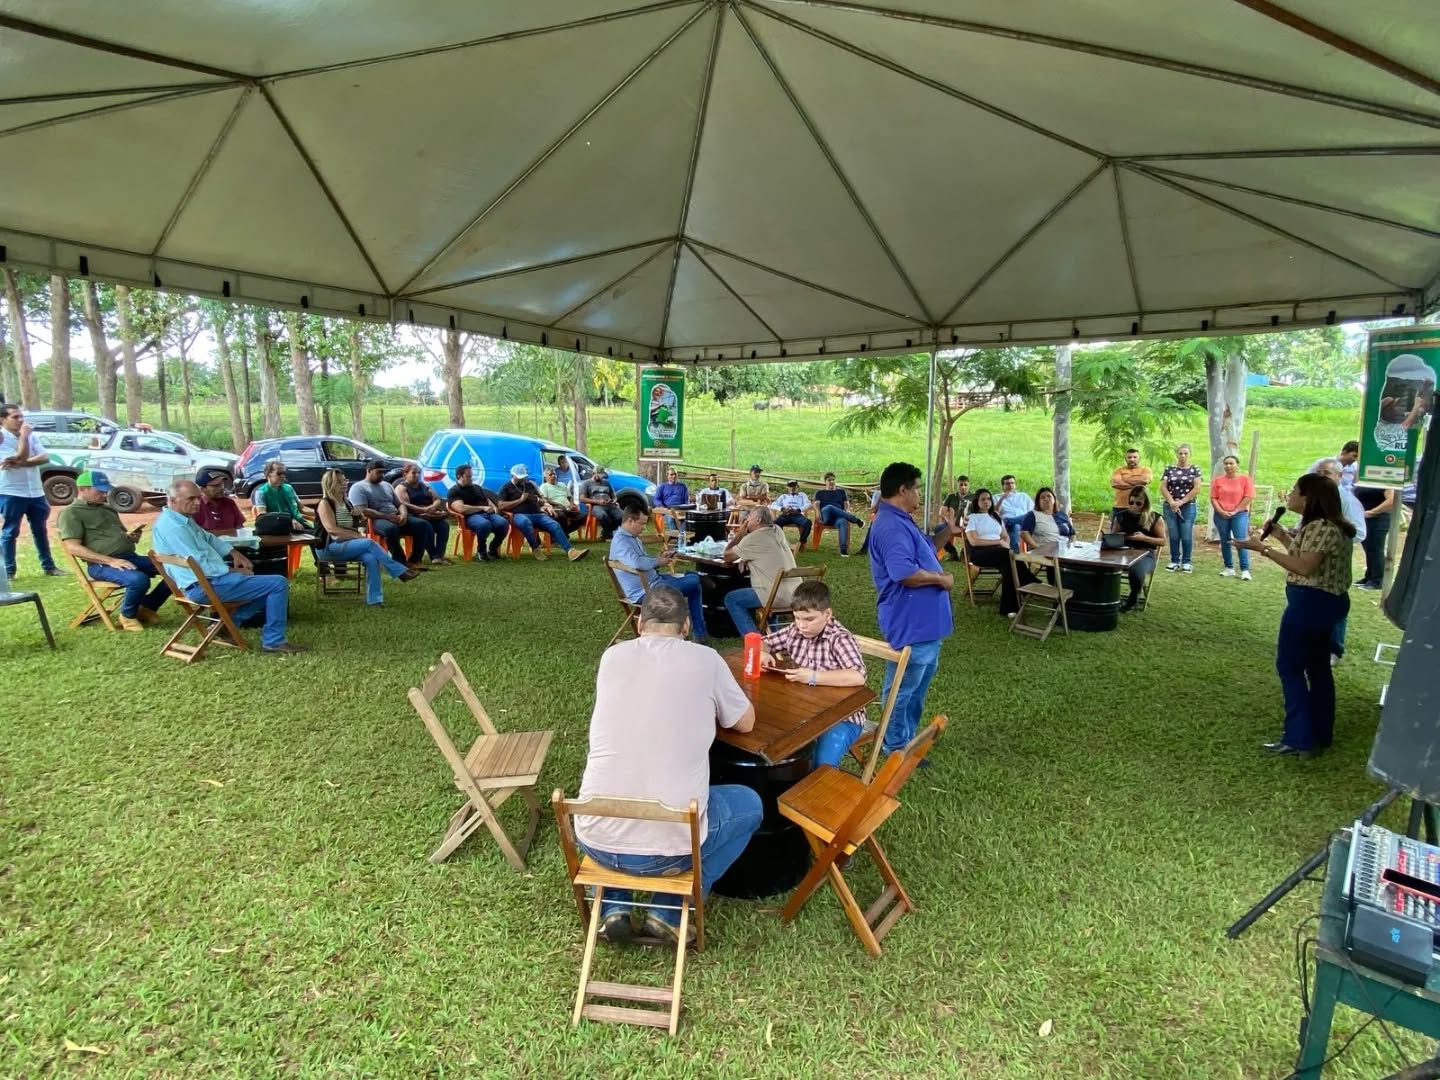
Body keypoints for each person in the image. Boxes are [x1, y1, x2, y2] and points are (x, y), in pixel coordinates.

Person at [574, 585, 759, 944]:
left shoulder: (611, 657)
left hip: (593, 837)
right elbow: (746, 722)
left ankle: (614, 906)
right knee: (750, 805)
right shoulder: (707, 660)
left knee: (623, 788)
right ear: (686, 625)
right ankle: (669, 911)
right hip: (669, 848)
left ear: (640, 623)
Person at [1236, 473, 1354, 758]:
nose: (1289, 495)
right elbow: (1304, 554)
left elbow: (1304, 567)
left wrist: (1262, 549)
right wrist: (1279, 536)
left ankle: (1299, 738)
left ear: (1308, 497)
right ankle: (1319, 733)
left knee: (1289, 667)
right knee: (1317, 667)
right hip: (1325, 602)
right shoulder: (1322, 526)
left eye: (1294, 491)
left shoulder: (1321, 527)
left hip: (1312, 603)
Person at [151, 480, 307, 654]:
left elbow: (209, 538)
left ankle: (227, 625)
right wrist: (232, 570)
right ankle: (273, 641)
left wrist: (234, 552)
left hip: (203, 583)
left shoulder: (179, 520)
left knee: (267, 584)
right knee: (278, 583)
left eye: (198, 498)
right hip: (203, 586)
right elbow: (200, 563)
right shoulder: (175, 528)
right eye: (191, 499)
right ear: (173, 500)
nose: (197, 503)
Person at [867, 462, 952, 758]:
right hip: (911, 622)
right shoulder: (890, 526)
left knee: (915, 687)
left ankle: (904, 739)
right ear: (902, 490)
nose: (920, 494)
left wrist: (948, 531)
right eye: (917, 488)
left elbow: (925, 549)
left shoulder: (901, 520)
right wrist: (940, 579)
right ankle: (894, 747)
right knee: (903, 689)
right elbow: (903, 572)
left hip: (925, 624)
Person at [760, 580, 866, 767]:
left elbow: (857, 676)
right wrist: (763, 652)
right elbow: (764, 641)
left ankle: (818, 789)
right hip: (805, 710)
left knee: (821, 765)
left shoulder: (838, 638)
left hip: (842, 717)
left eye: (809, 619)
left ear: (827, 614)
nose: (802, 625)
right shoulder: (795, 630)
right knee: (773, 743)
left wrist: (813, 676)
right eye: (797, 618)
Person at [57, 469, 169, 631]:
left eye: (106, 490)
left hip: (129, 556)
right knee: (138, 580)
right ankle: (128, 616)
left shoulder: (107, 508)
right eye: (100, 490)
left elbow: (119, 534)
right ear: (83, 489)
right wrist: (111, 561)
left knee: (174, 569)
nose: (105, 494)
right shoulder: (70, 513)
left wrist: (130, 537)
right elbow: (73, 547)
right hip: (101, 564)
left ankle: (147, 606)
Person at [314, 469, 417, 605]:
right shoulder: (325, 503)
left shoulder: (347, 502)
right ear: (330, 484)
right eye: (339, 482)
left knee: (371, 558)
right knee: (368, 543)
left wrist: (358, 517)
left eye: (345, 480)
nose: (344, 484)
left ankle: (375, 600)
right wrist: (358, 537)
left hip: (347, 544)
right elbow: (332, 530)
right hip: (329, 547)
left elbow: (358, 525)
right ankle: (399, 571)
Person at [609, 505, 707, 641]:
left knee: (694, 584)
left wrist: (658, 557)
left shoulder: (630, 538)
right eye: (641, 524)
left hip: (653, 582)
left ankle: (700, 633)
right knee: (694, 581)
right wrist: (658, 562)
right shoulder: (621, 542)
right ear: (630, 520)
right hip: (646, 591)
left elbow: (641, 559)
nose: (644, 527)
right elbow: (638, 563)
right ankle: (700, 633)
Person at [1312, 457, 1366, 667]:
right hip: (1312, 563)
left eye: (1326, 473)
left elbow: (1359, 533)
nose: (1321, 477)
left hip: (1335, 564)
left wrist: (1329, 538)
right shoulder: (1315, 499)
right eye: (1319, 473)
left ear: (1339, 476)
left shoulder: (1347, 501)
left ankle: (1334, 649)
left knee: (1334, 605)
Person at [0, 404, 63, 578]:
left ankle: (49, 566)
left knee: (40, 529)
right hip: (12, 491)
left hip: (35, 491)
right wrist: (24, 437)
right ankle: (9, 571)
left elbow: (44, 457)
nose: (20, 420)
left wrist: (21, 460)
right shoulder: (3, 438)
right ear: (2, 420)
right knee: (10, 531)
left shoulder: (31, 435)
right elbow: (18, 457)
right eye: (15, 417)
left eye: (21, 416)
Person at [722, 506, 797, 637]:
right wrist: (746, 558)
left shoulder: (753, 538)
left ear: (757, 519)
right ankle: (775, 636)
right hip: (795, 593)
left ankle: (756, 641)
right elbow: (768, 552)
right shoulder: (777, 530)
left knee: (732, 599)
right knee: (769, 586)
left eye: (748, 517)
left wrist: (740, 534)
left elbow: (727, 556)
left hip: (775, 596)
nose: (746, 520)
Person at [349, 459, 432, 568]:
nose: (382, 475)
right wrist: (388, 517)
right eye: (379, 472)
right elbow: (363, 510)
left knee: (423, 525)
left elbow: (400, 504)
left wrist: (403, 515)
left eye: (383, 472)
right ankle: (400, 561)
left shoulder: (387, 485)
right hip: (375, 520)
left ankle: (414, 560)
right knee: (391, 529)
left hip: (395, 516)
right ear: (369, 471)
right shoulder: (358, 488)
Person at [499, 464, 589, 562]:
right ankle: (535, 548)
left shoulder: (529, 484)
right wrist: (520, 500)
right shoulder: (506, 487)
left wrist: (545, 505)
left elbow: (541, 499)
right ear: (513, 475)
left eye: (524, 477)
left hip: (537, 513)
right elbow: (501, 505)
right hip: (519, 515)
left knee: (554, 524)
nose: (523, 479)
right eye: (520, 477)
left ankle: (571, 551)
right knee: (525, 522)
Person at [963, 488, 1027, 617]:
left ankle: (1009, 609)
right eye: (983, 499)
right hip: (980, 553)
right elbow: (974, 541)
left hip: (999, 553)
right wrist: (999, 543)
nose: (986, 502)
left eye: (988, 499)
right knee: (1010, 556)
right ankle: (1030, 582)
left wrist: (1005, 545)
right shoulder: (972, 518)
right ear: (977, 501)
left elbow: (1005, 536)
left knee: (1008, 568)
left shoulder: (996, 516)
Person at [1107, 487, 1167, 612]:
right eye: (1131, 502)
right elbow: (1113, 536)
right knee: (1102, 565)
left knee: (1136, 570)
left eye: (1138, 503)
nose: (1134, 506)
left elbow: (1162, 541)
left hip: (1145, 553)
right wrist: (1118, 538)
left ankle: (1132, 599)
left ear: (1145, 503)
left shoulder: (1154, 518)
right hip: (1123, 551)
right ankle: (1104, 597)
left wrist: (1144, 538)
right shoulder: (1121, 516)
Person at [446, 464, 509, 561]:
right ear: (459, 476)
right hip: (471, 517)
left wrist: (493, 507)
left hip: (488, 514)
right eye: (469, 476)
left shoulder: (476, 487)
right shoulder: (454, 491)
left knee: (503, 523)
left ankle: (492, 548)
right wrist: (482, 508)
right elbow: (461, 508)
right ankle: (481, 551)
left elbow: (486, 500)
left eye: (472, 476)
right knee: (484, 524)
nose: (472, 479)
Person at [395, 464, 453, 566]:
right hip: (412, 516)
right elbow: (404, 504)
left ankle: (439, 555)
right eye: (413, 473)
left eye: (418, 473)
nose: (416, 475)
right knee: (426, 526)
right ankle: (434, 556)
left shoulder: (424, 486)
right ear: (405, 474)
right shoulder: (401, 487)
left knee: (443, 525)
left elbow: (437, 499)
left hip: (428, 514)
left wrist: (433, 507)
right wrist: (422, 509)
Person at [1209, 455, 1255, 580]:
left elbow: (1248, 496)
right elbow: (1213, 498)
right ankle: (1229, 567)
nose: (1228, 466)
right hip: (1221, 514)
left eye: (1231, 463)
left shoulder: (1245, 479)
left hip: (1239, 514)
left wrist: (1236, 510)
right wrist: (1220, 511)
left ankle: (1245, 569)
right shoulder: (1218, 481)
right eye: (1226, 464)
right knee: (1225, 541)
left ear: (1237, 465)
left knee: (1240, 540)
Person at [1160, 444, 1202, 572]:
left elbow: (1197, 488)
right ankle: (1174, 560)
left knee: (1186, 534)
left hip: (1188, 505)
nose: (1183, 456)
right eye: (1180, 453)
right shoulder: (1169, 469)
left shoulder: (1195, 469)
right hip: (1170, 506)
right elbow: (1163, 486)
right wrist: (1172, 502)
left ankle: (1187, 561)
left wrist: (1181, 502)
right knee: (1173, 534)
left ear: (1190, 454)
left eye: (1185, 453)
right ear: (1177, 454)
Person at [1354, 483, 1396, 590]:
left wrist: (1373, 512)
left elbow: (1391, 500)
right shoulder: (1365, 479)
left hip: (1378, 519)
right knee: (1368, 548)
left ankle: (1378, 580)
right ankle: (1369, 576)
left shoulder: (1385, 483)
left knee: (1376, 549)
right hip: (1365, 519)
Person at [812, 472, 865, 557]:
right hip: (826, 516)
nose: (832, 482)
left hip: (837, 517)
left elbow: (846, 504)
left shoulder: (841, 492)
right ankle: (856, 520)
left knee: (843, 521)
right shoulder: (820, 493)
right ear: (825, 482)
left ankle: (843, 550)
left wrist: (846, 510)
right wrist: (818, 513)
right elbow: (816, 504)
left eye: (833, 480)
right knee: (830, 507)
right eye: (829, 480)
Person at [250, 460, 311, 529]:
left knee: (321, 534)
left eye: (284, 473)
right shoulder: (261, 492)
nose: (283, 476)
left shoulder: (289, 488)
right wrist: (289, 520)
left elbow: (302, 508)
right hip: (279, 527)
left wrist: (319, 512)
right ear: (269, 474)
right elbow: (263, 516)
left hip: (299, 523)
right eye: (279, 473)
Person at [194, 467, 246, 536]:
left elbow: (240, 529)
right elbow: (197, 535)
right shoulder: (196, 505)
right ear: (202, 489)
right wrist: (231, 532)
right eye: (216, 486)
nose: (221, 488)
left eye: (222, 484)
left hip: (235, 545)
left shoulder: (229, 503)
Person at [931, 476, 972, 561]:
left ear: (969, 486)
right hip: (951, 523)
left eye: (965, 485)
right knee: (938, 529)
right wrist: (949, 521)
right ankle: (952, 552)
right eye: (961, 485)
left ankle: (964, 552)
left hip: (968, 524)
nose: (963, 487)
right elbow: (942, 512)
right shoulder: (951, 497)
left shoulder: (974, 497)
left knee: (975, 531)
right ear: (957, 485)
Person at [538, 465, 585, 536]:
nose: (553, 476)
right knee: (561, 516)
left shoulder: (562, 484)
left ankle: (564, 533)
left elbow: (569, 497)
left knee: (582, 516)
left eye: (554, 474)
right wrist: (558, 504)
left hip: (567, 508)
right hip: (555, 508)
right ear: (545, 477)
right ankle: (563, 535)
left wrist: (572, 504)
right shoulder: (544, 486)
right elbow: (544, 500)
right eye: (551, 475)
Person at [579, 466, 623, 540]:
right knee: (603, 515)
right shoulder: (586, 483)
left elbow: (613, 496)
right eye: (599, 475)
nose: (601, 478)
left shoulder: (606, 483)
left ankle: (607, 532)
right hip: (596, 506)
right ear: (594, 473)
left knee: (623, 516)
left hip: (609, 505)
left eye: (602, 476)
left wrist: (614, 500)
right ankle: (608, 534)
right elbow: (582, 499)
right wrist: (598, 502)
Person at [995, 474, 1034, 552]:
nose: (1010, 485)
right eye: (1007, 483)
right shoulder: (997, 497)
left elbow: (1032, 511)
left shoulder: (1023, 496)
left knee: (1025, 517)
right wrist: (1002, 498)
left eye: (1012, 483)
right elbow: (995, 512)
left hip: (1024, 520)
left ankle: (1008, 521)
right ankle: (1015, 556)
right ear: (1002, 486)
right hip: (1010, 525)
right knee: (1015, 527)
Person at [1109, 448, 1153, 516]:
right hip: (1120, 506)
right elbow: (1115, 483)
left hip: (1140, 506)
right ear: (1125, 458)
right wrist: (1137, 486)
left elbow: (1144, 480)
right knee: (1117, 526)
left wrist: (1124, 479)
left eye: (1135, 457)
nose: (1132, 459)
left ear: (1139, 458)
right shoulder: (1118, 470)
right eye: (1129, 457)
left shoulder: (1146, 470)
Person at [770, 479, 812, 547]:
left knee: (808, 523)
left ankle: (802, 542)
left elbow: (808, 504)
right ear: (787, 487)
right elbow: (773, 505)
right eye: (790, 486)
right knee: (775, 523)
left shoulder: (802, 495)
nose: (792, 488)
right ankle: (780, 541)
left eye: (794, 486)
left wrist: (798, 510)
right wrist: (782, 509)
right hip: (786, 515)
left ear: (797, 487)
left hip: (797, 515)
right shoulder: (783, 496)